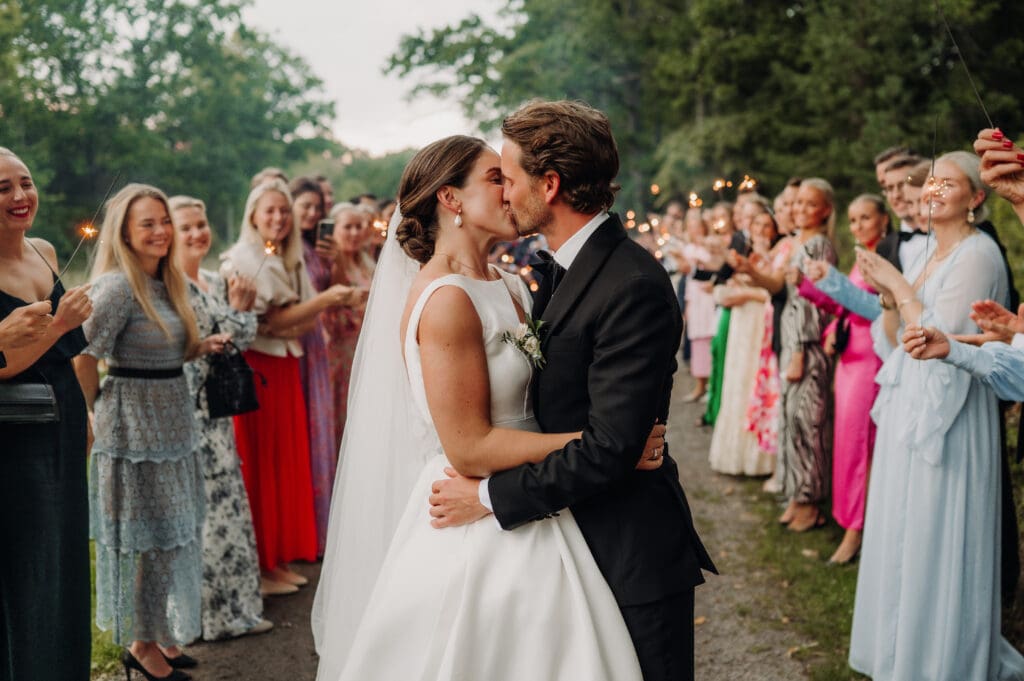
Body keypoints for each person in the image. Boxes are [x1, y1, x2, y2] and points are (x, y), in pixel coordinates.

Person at [315, 134, 674, 680]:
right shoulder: (447, 300)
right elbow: (468, 446)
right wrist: (607, 445)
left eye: (508, 178)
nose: (508, 191)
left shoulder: (509, 284)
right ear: (450, 199)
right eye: (494, 178)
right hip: (476, 508)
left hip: (538, 496)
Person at [428, 101, 717, 681]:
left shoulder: (630, 284)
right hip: (566, 545)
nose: (504, 193)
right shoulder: (560, 270)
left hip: (628, 551)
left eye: (509, 178)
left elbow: (610, 449)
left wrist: (487, 498)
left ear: (550, 185)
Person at [848, 152, 1024, 680]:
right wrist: (888, 295)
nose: (934, 189)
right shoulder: (928, 251)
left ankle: (941, 658)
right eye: (930, 181)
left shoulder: (978, 253)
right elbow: (896, 342)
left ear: (976, 197)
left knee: (934, 533)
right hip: (911, 404)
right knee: (904, 526)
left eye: (949, 182)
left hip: (952, 412)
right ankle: (899, 648)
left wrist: (899, 287)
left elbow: (942, 343)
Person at [78, 184, 223, 680]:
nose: (161, 231)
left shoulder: (166, 282)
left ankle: (156, 631)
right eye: (148, 223)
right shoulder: (118, 287)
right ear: (124, 232)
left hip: (173, 422)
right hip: (132, 431)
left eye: (164, 221)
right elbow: (84, 354)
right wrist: (91, 412)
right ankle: (140, 646)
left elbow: (165, 348)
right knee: (151, 539)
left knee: (172, 534)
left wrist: (201, 348)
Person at [220, 179, 361, 596]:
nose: (279, 218)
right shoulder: (245, 258)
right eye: (271, 210)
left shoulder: (286, 255)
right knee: (262, 464)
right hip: (260, 365)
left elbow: (292, 319)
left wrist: (305, 312)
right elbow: (277, 321)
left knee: (283, 462)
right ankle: (261, 564)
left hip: (285, 362)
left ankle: (277, 558)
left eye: (284, 211)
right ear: (253, 215)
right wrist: (325, 301)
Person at [0, 147, 93, 681]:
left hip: (64, 425)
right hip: (15, 440)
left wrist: (86, 414)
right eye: (3, 188)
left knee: (64, 561)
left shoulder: (45, 251)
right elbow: (4, 366)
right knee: (27, 569)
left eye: (26, 182)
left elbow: (69, 356)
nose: (20, 196)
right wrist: (60, 324)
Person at [168, 195, 271, 641]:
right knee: (201, 513)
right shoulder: (170, 286)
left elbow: (240, 339)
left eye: (202, 223)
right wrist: (238, 313)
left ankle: (236, 611)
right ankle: (202, 618)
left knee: (227, 505)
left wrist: (240, 312)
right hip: (188, 408)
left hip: (220, 408)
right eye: (186, 227)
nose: (197, 233)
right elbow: (203, 340)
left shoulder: (213, 280)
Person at [798, 194, 888, 563]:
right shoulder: (862, 258)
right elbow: (845, 305)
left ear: (884, 220)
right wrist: (812, 291)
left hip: (871, 358)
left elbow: (876, 308)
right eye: (852, 220)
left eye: (865, 217)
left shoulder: (886, 260)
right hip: (849, 356)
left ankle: (857, 529)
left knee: (862, 442)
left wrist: (830, 283)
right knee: (847, 441)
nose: (858, 226)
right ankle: (846, 517)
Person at [777, 178, 837, 532]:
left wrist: (799, 350)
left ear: (825, 210)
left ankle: (811, 501)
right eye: (798, 202)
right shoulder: (799, 241)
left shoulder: (818, 246)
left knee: (807, 422)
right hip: (791, 340)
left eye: (810, 204)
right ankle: (796, 495)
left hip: (808, 345)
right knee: (791, 420)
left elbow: (811, 303)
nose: (800, 209)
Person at [289, 176, 341, 555]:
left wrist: (332, 262)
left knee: (318, 427)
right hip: (297, 341)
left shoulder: (312, 248)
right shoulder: (285, 250)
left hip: (317, 343)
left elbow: (329, 287)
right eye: (304, 206)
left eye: (316, 208)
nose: (310, 213)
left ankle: (319, 527)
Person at [707, 206, 780, 477]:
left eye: (766, 226)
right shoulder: (743, 254)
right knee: (736, 381)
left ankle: (759, 459)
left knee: (754, 384)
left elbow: (776, 293)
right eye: (756, 225)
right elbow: (720, 285)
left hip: (761, 323)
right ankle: (733, 454)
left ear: (774, 230)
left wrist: (747, 294)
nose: (760, 230)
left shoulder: (779, 256)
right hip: (741, 323)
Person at [324, 202, 373, 451]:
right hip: (339, 353)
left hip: (366, 350)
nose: (354, 233)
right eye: (347, 227)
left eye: (358, 226)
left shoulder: (367, 263)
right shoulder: (328, 265)